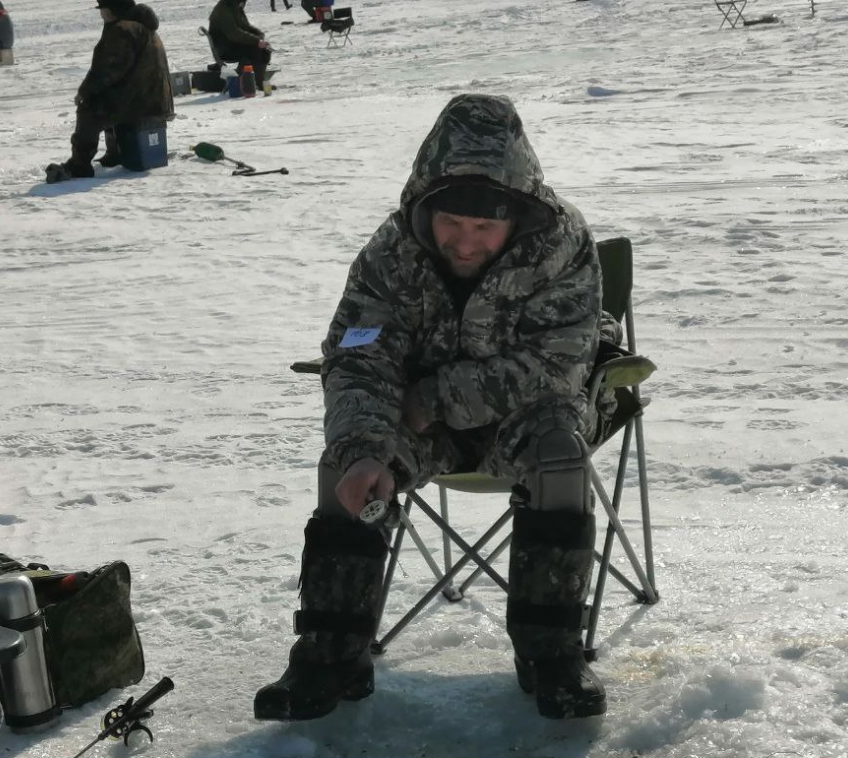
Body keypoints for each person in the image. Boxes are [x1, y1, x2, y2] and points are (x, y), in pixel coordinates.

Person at [254, 93, 621, 724]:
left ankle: (551, 653)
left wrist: (433, 397)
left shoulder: (560, 245)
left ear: (517, 217)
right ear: (428, 205)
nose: (466, 241)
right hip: (422, 429)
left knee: (559, 450)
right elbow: (358, 355)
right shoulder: (391, 253)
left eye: (485, 228)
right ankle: (331, 652)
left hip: (532, 416)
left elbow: (553, 370)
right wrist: (367, 446)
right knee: (346, 464)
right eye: (452, 222)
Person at [46, 0, 175, 182]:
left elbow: (107, 70)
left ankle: (80, 164)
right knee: (108, 100)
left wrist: (84, 92)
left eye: (103, 9)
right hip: (156, 101)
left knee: (89, 108)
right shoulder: (144, 27)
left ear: (113, 10)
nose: (102, 14)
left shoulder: (122, 30)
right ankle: (115, 152)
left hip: (140, 104)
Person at [208, 0, 272, 93]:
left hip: (234, 44)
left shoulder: (234, 5)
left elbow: (245, 26)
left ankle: (256, 81)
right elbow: (234, 33)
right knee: (257, 49)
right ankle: (252, 82)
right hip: (225, 48)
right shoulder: (223, 9)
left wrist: (258, 34)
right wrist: (256, 40)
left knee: (264, 48)